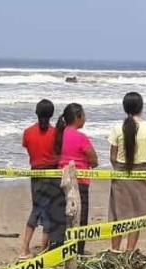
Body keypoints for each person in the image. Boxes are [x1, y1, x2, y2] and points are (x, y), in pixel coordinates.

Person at [108, 92, 146, 251]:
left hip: (121, 173)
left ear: (125, 108)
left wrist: (121, 167)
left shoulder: (117, 128)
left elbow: (112, 156)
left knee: (118, 215)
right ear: (141, 107)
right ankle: (130, 251)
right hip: (142, 173)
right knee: (136, 216)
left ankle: (115, 250)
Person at [53, 103, 98, 254]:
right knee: (80, 217)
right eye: (84, 115)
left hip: (62, 179)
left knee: (63, 216)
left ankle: (61, 249)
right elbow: (94, 159)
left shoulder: (61, 133)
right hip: (80, 182)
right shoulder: (81, 137)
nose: (85, 118)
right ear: (78, 118)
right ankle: (78, 251)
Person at [20, 99, 61, 259]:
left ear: (37, 113)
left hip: (36, 174)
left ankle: (25, 248)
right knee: (50, 211)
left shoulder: (28, 132)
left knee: (36, 209)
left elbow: (28, 148)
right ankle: (44, 249)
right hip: (52, 174)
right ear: (51, 114)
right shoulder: (56, 133)